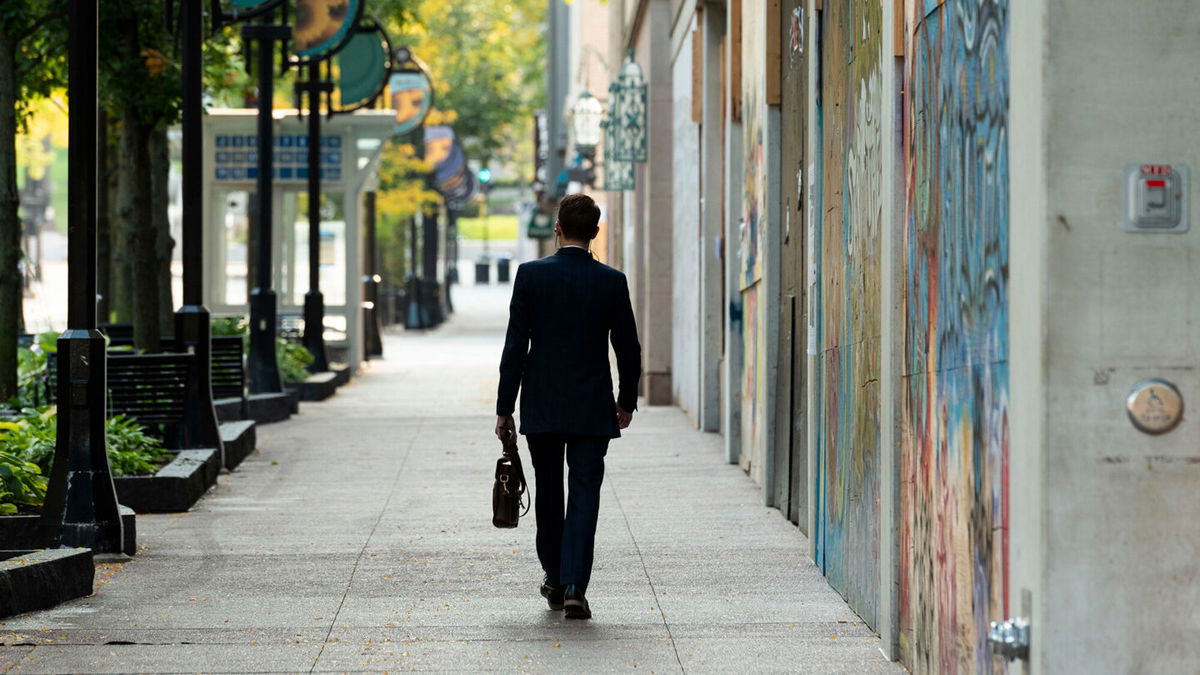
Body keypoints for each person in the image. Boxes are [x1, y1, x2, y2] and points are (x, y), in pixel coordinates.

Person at [495, 193, 641, 621]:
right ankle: (576, 584)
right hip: (592, 406)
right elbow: (627, 348)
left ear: (557, 228)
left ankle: (555, 578)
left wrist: (506, 408)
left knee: (548, 492)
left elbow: (515, 347)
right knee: (584, 495)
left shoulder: (531, 275)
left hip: (542, 404)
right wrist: (626, 400)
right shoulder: (611, 281)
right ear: (595, 232)